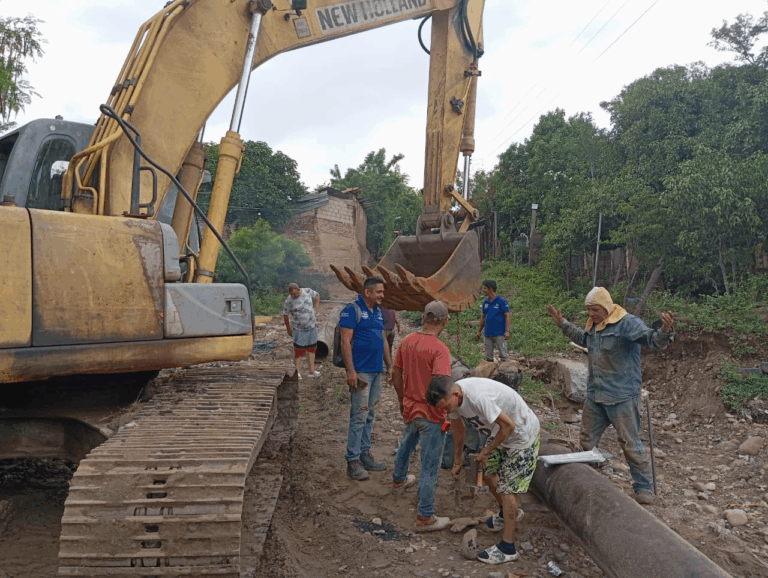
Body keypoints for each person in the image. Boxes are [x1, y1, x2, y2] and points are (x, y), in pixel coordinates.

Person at [547, 287, 674, 505]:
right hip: (596, 394)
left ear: (605, 306)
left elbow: (652, 340)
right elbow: (583, 339)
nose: (591, 314)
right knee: (586, 440)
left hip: (622, 396)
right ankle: (589, 473)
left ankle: (644, 487)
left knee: (630, 443)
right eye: (588, 310)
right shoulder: (594, 324)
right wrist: (563, 324)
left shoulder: (627, 323)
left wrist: (664, 331)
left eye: (595, 309)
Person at [427, 375, 540, 564]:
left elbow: (509, 425)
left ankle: (508, 548)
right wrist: (457, 461)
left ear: (455, 394)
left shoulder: (478, 397)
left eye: (446, 407)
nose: (445, 412)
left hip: (521, 435)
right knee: (488, 475)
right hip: (500, 433)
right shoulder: (453, 400)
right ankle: (507, 514)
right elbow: (458, 429)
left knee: (508, 490)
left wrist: (487, 451)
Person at [391, 301, 452, 532]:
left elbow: (396, 374)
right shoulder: (439, 349)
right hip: (431, 415)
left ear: (423, 318)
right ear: (445, 321)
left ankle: (398, 480)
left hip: (410, 406)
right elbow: (441, 386)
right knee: (429, 465)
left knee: (406, 445)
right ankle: (425, 517)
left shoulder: (407, 341)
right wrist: (445, 411)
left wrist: (402, 399)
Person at [339, 276, 393, 481]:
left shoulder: (378, 312)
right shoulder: (352, 310)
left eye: (383, 292)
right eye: (379, 292)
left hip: (376, 370)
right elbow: (345, 341)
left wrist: (390, 365)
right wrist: (350, 371)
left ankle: (364, 454)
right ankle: (353, 461)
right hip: (361, 371)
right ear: (367, 292)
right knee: (359, 415)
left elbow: (383, 340)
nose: (382, 295)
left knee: (369, 414)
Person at [282, 283, 321, 379]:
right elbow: (285, 315)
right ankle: (297, 372)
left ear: (298, 289)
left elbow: (317, 296)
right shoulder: (289, 300)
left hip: (312, 326)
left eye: (295, 294)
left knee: (312, 349)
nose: (293, 296)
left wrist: (316, 308)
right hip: (299, 329)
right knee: (298, 351)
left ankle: (311, 371)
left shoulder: (307, 291)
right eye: (292, 294)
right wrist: (288, 329)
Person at [476, 280, 511, 362]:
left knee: (503, 355)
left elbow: (507, 316)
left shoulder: (501, 301)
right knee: (488, 357)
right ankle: (490, 369)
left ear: (491, 289)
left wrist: (507, 331)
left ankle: (505, 369)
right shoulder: (485, 302)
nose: (483, 290)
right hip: (488, 333)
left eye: (485, 288)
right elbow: (483, 317)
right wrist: (479, 331)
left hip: (499, 333)